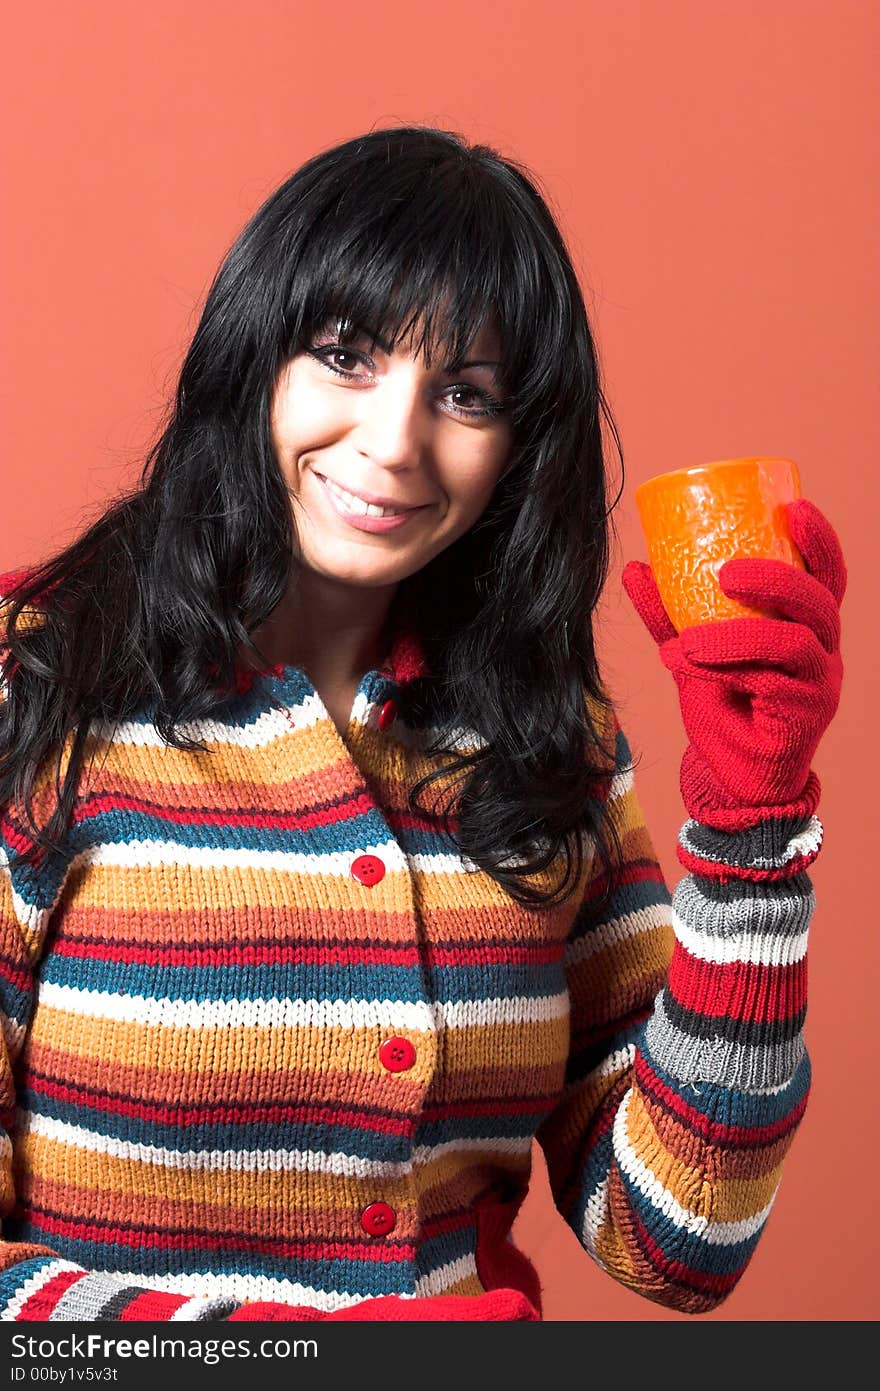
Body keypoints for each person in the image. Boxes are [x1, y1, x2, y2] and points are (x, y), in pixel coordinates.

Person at [0, 125, 845, 1323]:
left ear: (519, 448)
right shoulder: (37, 687)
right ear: (254, 357)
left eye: (465, 394)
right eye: (345, 356)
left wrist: (752, 833)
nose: (394, 443)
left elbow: (680, 1238)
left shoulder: (549, 738)